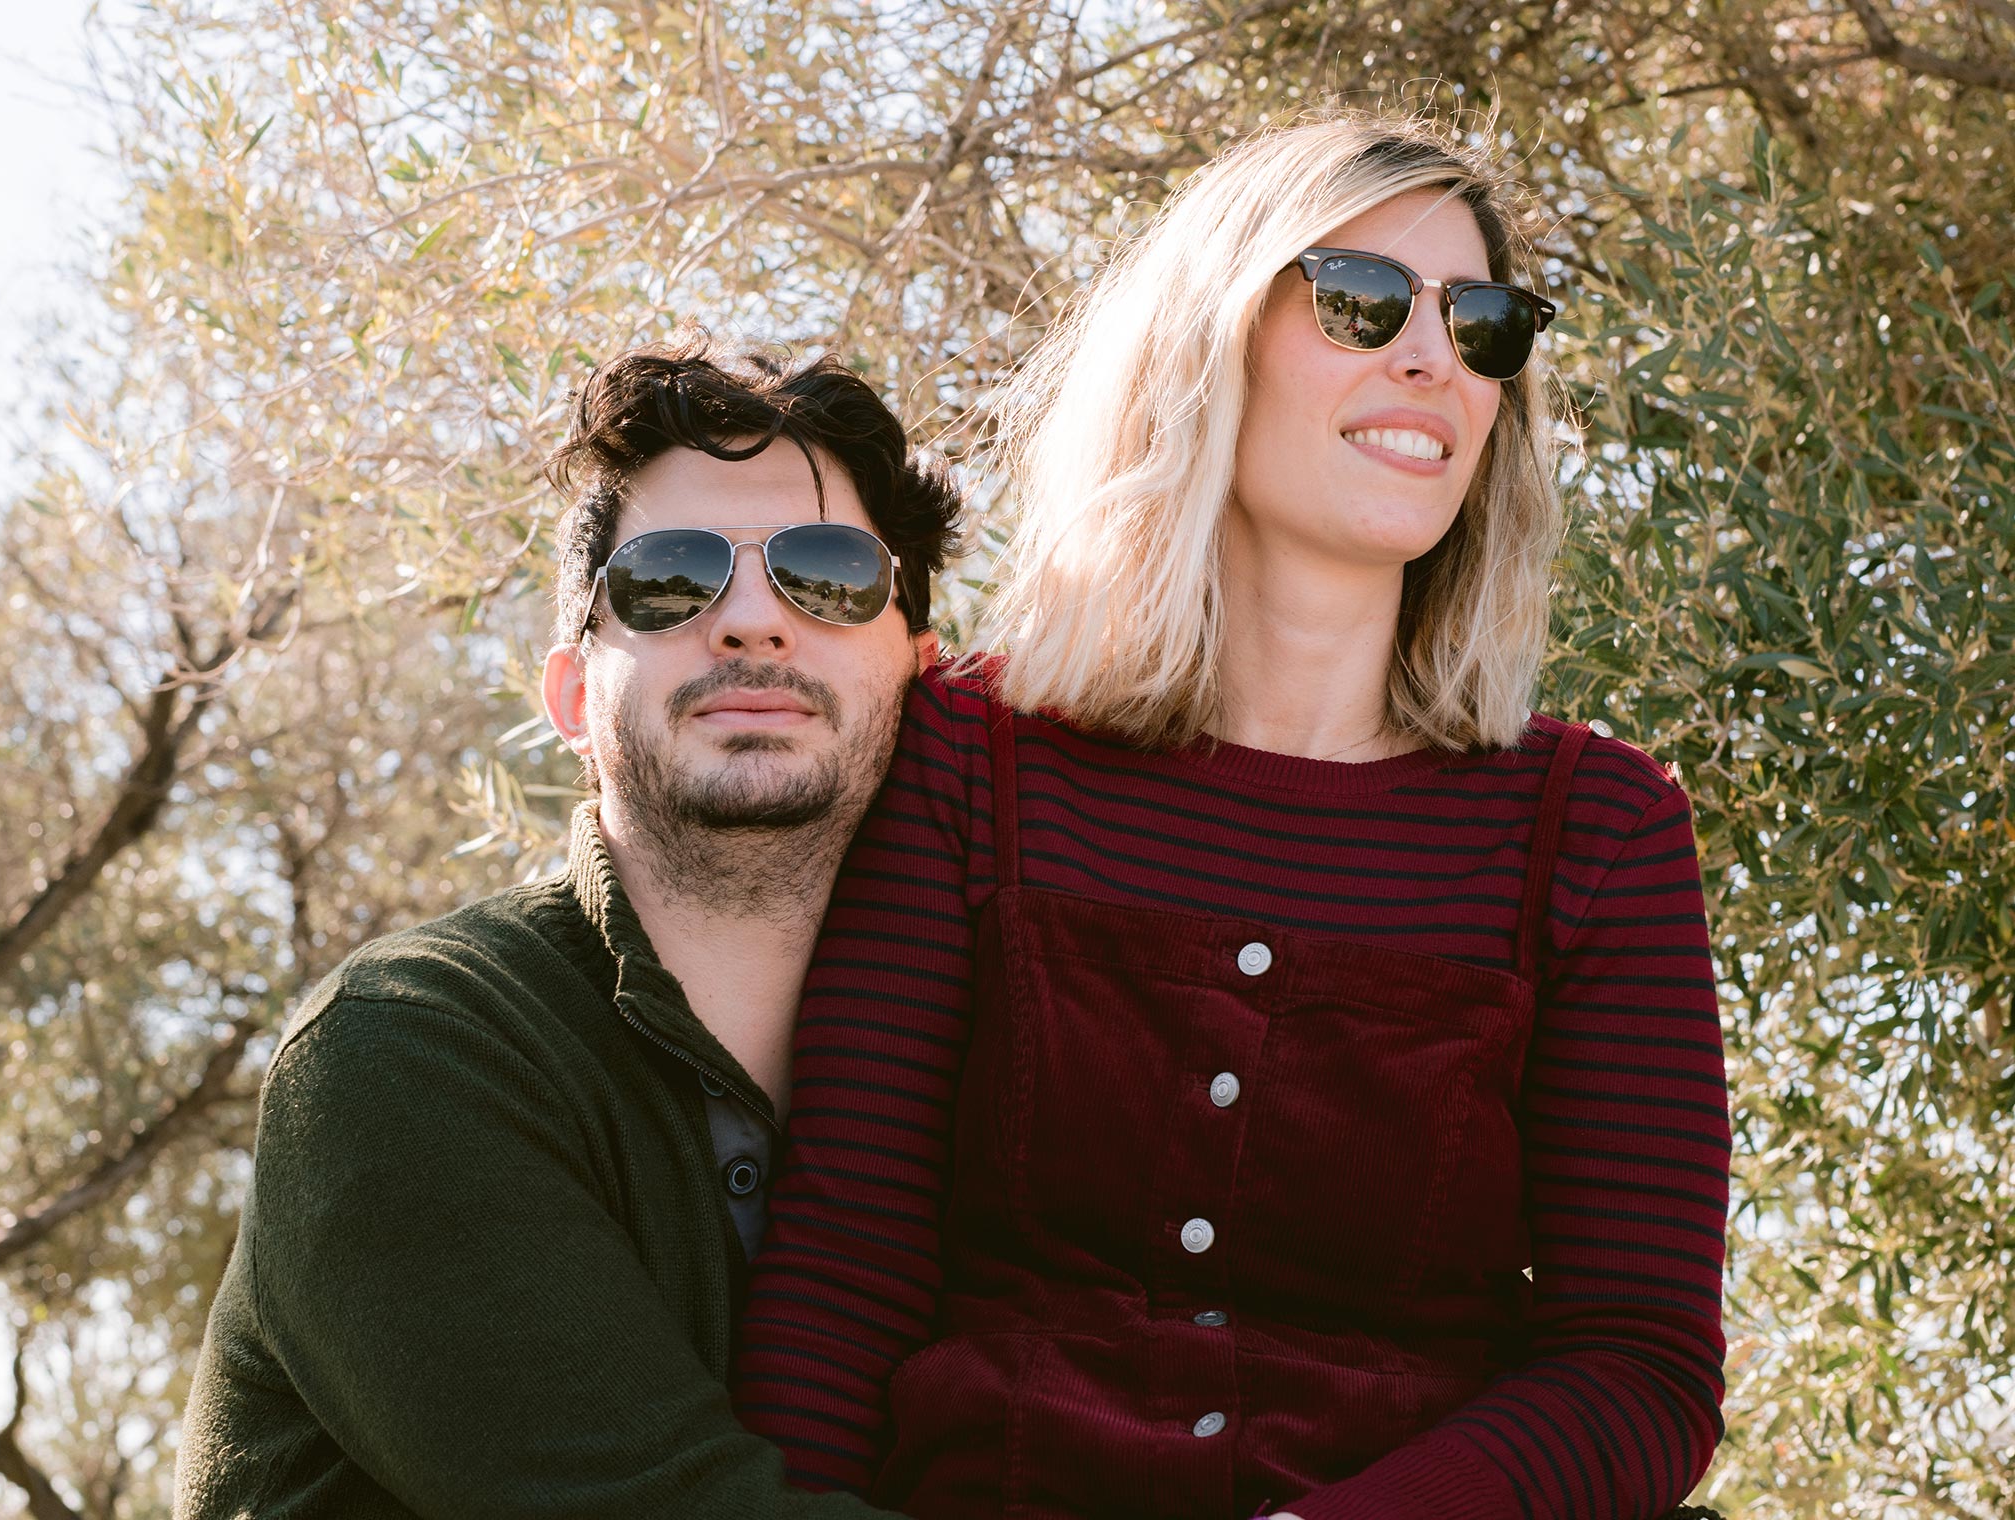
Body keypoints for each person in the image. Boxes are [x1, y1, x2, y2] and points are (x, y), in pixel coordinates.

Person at [732, 113, 1732, 1520]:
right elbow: (846, 1278)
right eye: (1360, 300)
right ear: (1204, 342)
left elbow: (1639, 1369)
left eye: (1482, 322)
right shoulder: (970, 756)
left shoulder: (1595, 832)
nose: (1431, 359)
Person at [173, 333, 959, 1518]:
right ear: (571, 699)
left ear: (924, 673)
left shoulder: (1006, 1061)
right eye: (669, 580)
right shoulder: (407, 1054)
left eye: (831, 574)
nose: (752, 621)